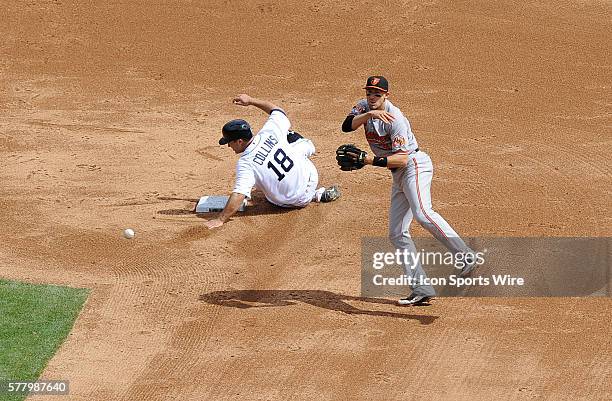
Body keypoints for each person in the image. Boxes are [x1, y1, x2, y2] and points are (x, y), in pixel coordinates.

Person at [341, 76, 476, 306]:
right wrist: (369, 115)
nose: (372, 98)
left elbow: (402, 159)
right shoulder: (364, 107)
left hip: (414, 165)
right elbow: (346, 126)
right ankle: (421, 287)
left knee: (423, 213)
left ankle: (466, 256)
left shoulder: (397, 119)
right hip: (398, 174)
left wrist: (369, 160)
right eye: (369, 93)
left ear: (386, 95)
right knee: (396, 233)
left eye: (377, 94)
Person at [204, 94, 340, 229]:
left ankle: (315, 195)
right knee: (290, 136)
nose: (228, 146)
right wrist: (251, 101)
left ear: (239, 141)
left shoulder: (246, 163)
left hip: (295, 201)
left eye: (229, 142)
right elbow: (278, 111)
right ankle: (309, 151)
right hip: (311, 176)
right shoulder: (269, 131)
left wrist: (221, 219)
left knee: (262, 185)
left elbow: (239, 194)